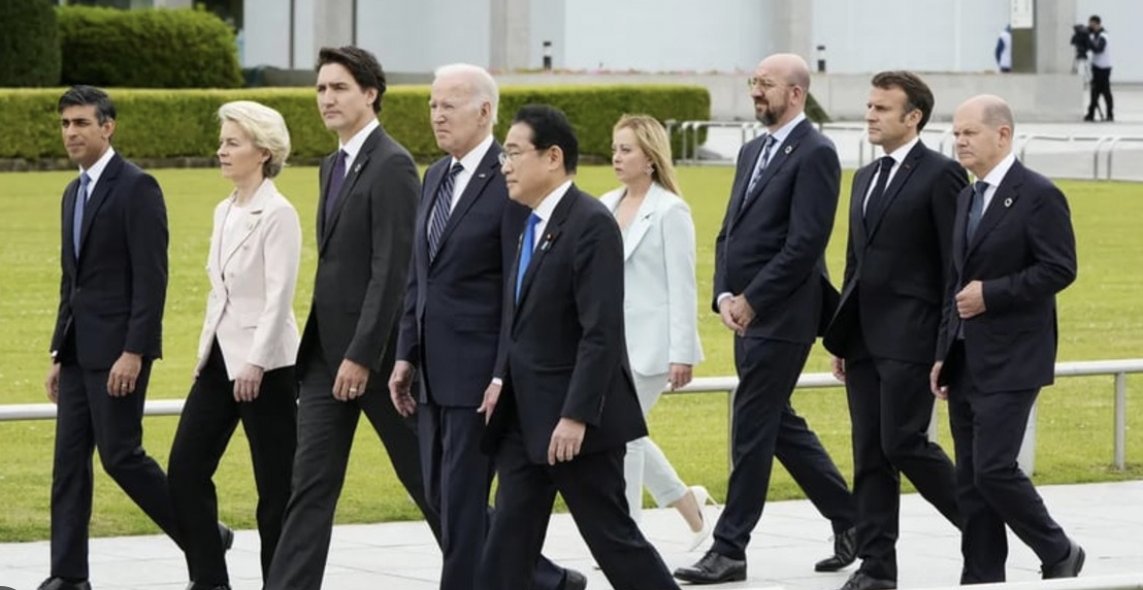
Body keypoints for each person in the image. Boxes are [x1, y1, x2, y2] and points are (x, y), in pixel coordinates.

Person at [388, 64, 581, 590]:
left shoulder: (510, 180)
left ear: (485, 112)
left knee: (462, 506)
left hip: (478, 376)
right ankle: (545, 579)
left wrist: (501, 373)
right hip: (430, 372)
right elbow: (419, 276)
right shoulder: (435, 176)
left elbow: (520, 288)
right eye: (432, 104)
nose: (437, 115)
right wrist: (405, 352)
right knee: (440, 496)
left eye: (449, 105)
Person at [476, 104, 680, 590]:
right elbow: (518, 317)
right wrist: (501, 376)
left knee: (615, 543)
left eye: (513, 153)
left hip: (575, 425)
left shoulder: (590, 223)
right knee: (506, 547)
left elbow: (601, 331)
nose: (505, 166)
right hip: (524, 420)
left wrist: (576, 415)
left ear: (552, 157)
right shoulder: (527, 223)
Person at [674, 53, 856, 585]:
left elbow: (805, 244)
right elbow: (729, 231)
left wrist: (752, 300)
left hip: (785, 315)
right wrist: (724, 295)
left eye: (767, 84)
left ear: (796, 93)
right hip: (745, 315)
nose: (756, 91)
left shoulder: (817, 153)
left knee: (752, 425)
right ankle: (853, 519)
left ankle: (730, 548)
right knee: (776, 424)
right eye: (754, 82)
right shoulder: (752, 149)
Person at [266, 46, 439, 589]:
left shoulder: (392, 165)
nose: (327, 98)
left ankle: (533, 576)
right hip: (325, 357)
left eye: (339, 87)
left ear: (370, 93)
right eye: (321, 88)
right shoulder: (330, 165)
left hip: (380, 360)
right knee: (310, 485)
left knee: (428, 481)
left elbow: (393, 271)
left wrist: (363, 355)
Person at [822, 71, 965, 590]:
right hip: (862, 339)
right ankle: (877, 569)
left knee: (904, 443)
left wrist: (946, 345)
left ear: (914, 117)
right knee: (869, 456)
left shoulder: (942, 175)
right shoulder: (864, 177)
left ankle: (983, 524)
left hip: (914, 337)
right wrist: (842, 334)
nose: (870, 115)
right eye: (869, 106)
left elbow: (955, 268)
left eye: (882, 109)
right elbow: (854, 263)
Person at [932, 94, 1083, 584]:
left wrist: (992, 295)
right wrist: (943, 353)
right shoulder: (966, 196)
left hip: (1015, 357)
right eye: (956, 133)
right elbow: (955, 284)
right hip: (965, 359)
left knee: (994, 469)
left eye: (969, 133)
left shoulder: (1038, 194)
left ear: (1002, 135)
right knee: (970, 481)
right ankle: (981, 576)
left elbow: (1059, 268)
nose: (959, 142)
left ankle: (1058, 550)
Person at [40, 85, 178, 590]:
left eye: (81, 123)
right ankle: (68, 576)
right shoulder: (72, 192)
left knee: (121, 457)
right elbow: (71, 281)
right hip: (78, 352)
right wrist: (59, 351)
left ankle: (204, 535)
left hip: (120, 351)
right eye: (65, 124)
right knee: (68, 467)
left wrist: (135, 351)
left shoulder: (138, 187)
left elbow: (152, 279)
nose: (71, 133)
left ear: (107, 127)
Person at [167, 101, 301, 590]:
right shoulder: (223, 210)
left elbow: (279, 297)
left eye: (232, 142)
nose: (221, 151)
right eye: (222, 141)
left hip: (268, 367)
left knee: (276, 490)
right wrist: (205, 355)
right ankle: (210, 581)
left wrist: (256, 363)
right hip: (219, 360)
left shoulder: (279, 213)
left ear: (262, 152)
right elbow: (219, 293)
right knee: (184, 471)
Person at [598, 114, 710, 548]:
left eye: (626, 149)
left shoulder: (670, 210)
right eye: (614, 148)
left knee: (622, 438)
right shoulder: (605, 204)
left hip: (651, 347)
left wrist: (682, 352)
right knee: (629, 433)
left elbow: (683, 285)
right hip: (608, 344)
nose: (616, 157)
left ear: (650, 157)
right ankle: (689, 506)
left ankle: (626, 538)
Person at [1084, 15, 1113, 122]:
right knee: (1094, 91)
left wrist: (1088, 41)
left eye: (1092, 25)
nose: (1090, 27)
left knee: (1105, 92)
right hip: (1096, 67)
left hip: (1104, 68)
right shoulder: (1093, 35)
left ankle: (1109, 114)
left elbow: (1098, 49)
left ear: (1097, 24)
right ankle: (1091, 114)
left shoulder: (1103, 35)